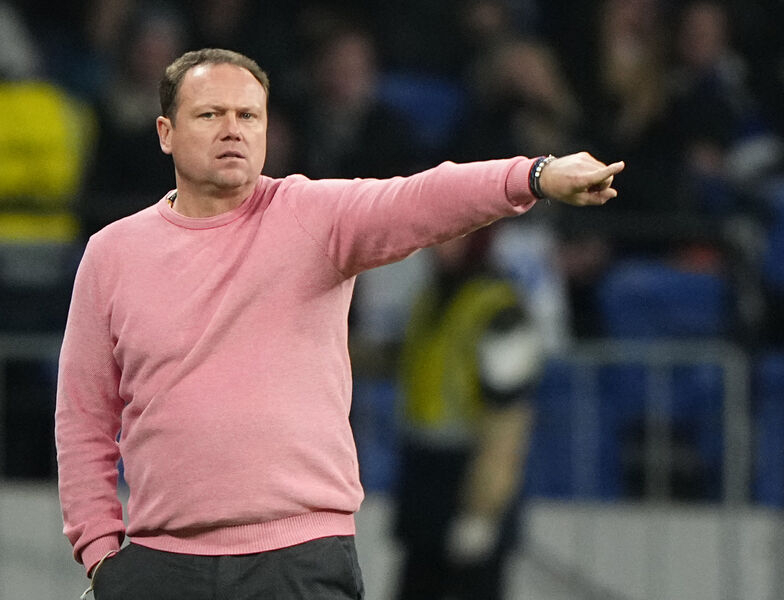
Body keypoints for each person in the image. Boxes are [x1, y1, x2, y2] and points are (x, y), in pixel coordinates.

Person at [54, 47, 624, 600]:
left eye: (249, 116)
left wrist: (535, 175)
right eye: (210, 115)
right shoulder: (112, 254)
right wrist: (100, 552)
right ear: (166, 132)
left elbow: (422, 198)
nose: (233, 130)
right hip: (159, 566)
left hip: (299, 561)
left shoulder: (312, 215)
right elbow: (82, 416)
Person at [393, 228, 542, 600]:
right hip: (425, 473)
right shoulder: (432, 295)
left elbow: (507, 423)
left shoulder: (501, 309)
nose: (439, 245)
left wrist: (482, 512)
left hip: (471, 475)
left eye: (454, 236)